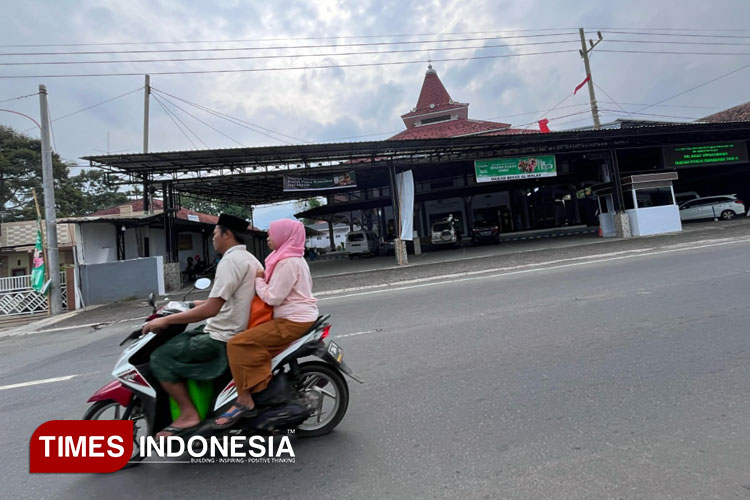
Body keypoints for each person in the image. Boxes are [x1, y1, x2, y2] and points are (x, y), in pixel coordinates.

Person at [142, 213, 262, 437]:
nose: (212, 238)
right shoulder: (249, 259)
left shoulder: (230, 261)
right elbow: (226, 299)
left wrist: (165, 319)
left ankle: (188, 414)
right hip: (231, 328)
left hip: (222, 337)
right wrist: (190, 303)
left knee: (160, 356)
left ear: (227, 234)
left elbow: (211, 310)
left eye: (215, 233)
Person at [214, 219, 318, 428]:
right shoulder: (289, 258)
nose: (268, 238)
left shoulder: (288, 262)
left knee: (237, 343)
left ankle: (245, 399)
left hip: (292, 321)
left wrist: (258, 280)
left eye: (271, 234)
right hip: (296, 317)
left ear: (284, 236)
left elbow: (273, 298)